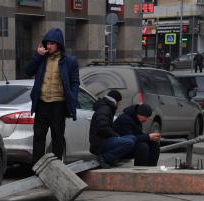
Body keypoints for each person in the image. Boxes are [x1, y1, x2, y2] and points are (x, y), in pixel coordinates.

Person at [25, 28, 80, 165]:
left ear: (59, 44)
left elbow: (75, 82)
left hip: (58, 105)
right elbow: (28, 71)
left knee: (57, 137)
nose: (48, 46)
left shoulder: (69, 61)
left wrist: (72, 97)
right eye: (47, 43)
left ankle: (56, 167)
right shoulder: (41, 59)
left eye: (52, 44)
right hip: (42, 103)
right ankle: (37, 168)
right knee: (38, 136)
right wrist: (37, 56)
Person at [89, 90, 136, 169]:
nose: (120, 104)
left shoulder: (107, 108)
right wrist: (116, 136)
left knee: (132, 138)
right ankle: (105, 158)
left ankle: (112, 158)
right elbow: (102, 127)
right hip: (99, 143)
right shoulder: (105, 109)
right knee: (129, 142)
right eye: (119, 102)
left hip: (103, 139)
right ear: (116, 101)